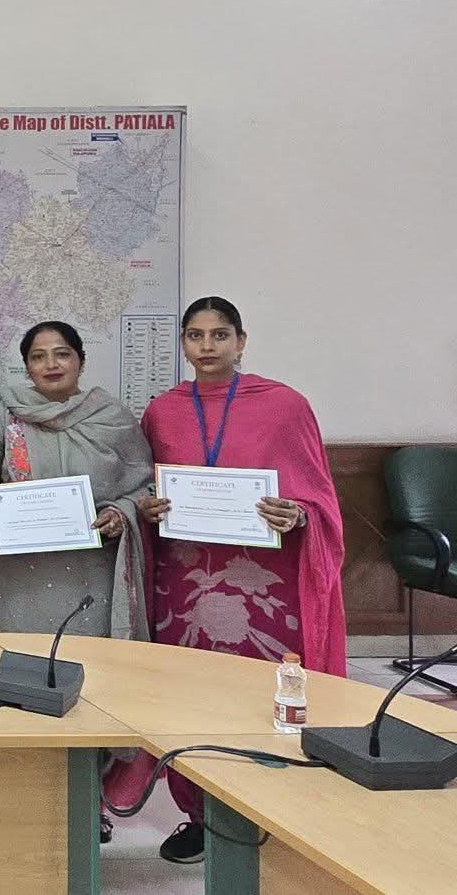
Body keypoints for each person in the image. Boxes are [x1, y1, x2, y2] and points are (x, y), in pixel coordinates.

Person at [132, 297, 347, 865]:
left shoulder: (285, 406)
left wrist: (298, 513)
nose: (207, 346)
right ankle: (200, 815)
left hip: (264, 585)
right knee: (189, 694)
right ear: (183, 342)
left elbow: (318, 496)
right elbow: (145, 487)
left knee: (262, 694)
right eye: (195, 335)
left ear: (242, 341)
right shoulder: (162, 411)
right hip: (185, 582)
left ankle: (276, 808)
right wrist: (147, 508)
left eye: (220, 334)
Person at [0, 321, 152, 642]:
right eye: (38, 357)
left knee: (89, 660)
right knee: (19, 656)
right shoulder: (7, 415)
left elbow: (144, 486)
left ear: (81, 360)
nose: (51, 364)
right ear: (27, 367)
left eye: (62, 354)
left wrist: (119, 515)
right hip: (18, 575)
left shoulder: (112, 417)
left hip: (89, 570)